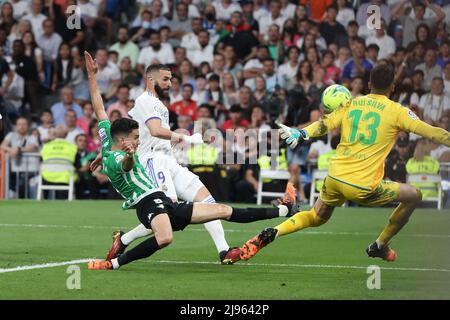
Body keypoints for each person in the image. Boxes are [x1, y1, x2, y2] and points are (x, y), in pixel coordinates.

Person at [82, 51, 295, 270]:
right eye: (165, 79)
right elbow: (154, 131)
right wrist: (186, 137)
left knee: (208, 202)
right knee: (167, 214)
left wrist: (106, 150)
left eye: (171, 79)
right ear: (151, 80)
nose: (170, 83)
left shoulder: (158, 105)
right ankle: (124, 242)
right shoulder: (145, 100)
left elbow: (116, 126)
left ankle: (223, 251)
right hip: (151, 162)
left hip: (169, 160)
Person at [231, 63, 450, 263]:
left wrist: (300, 133)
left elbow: (324, 124)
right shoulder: (398, 111)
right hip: (364, 186)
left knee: (316, 216)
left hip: (334, 178)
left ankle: (274, 232)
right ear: (393, 86)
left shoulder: (351, 103)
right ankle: (380, 245)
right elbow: (432, 133)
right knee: (414, 195)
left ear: (369, 84)